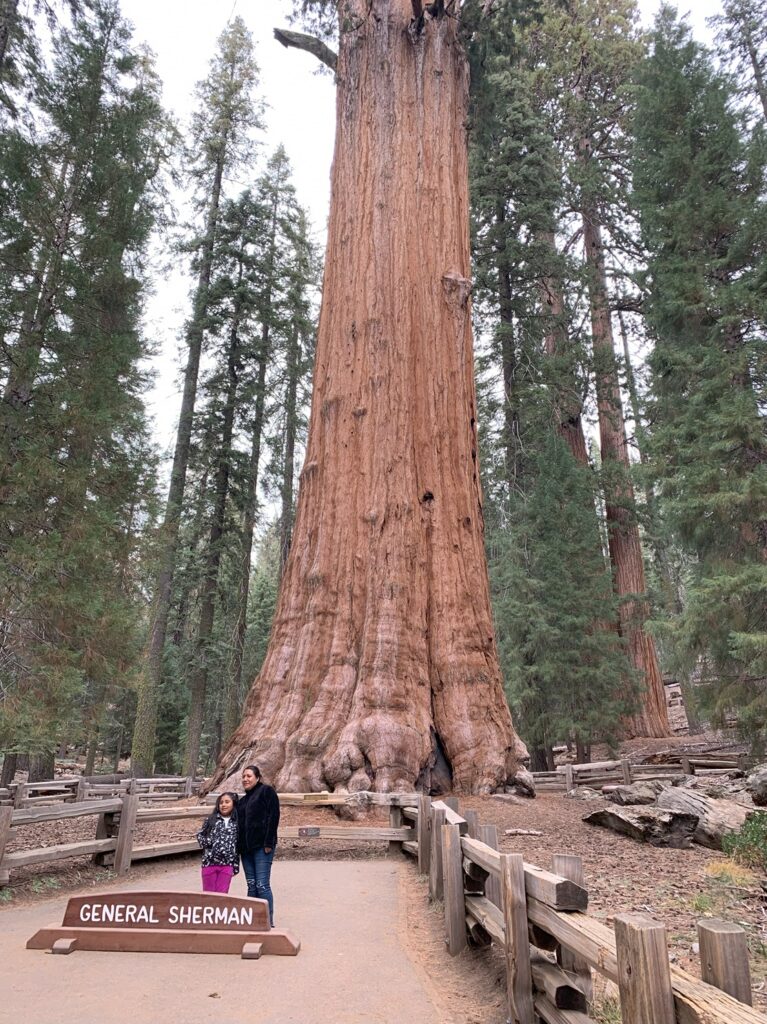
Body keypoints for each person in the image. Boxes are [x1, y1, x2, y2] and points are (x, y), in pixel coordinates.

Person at [237, 764, 279, 925]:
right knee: (251, 885)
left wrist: (268, 842)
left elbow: (273, 816)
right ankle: (252, 921)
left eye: (249, 776)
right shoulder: (243, 801)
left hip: (262, 846)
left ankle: (268, 921)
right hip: (246, 849)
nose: (245, 779)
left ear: (257, 777)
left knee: (262, 885)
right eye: (243, 776)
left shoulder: (266, 792)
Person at [196, 792, 239, 893]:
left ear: (233, 804)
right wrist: (209, 842)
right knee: (209, 896)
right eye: (221, 803)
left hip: (227, 865)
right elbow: (200, 835)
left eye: (227, 802)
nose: (223, 805)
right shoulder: (211, 820)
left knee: (222, 895)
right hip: (210, 863)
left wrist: (235, 865)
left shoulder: (236, 823)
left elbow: (237, 846)